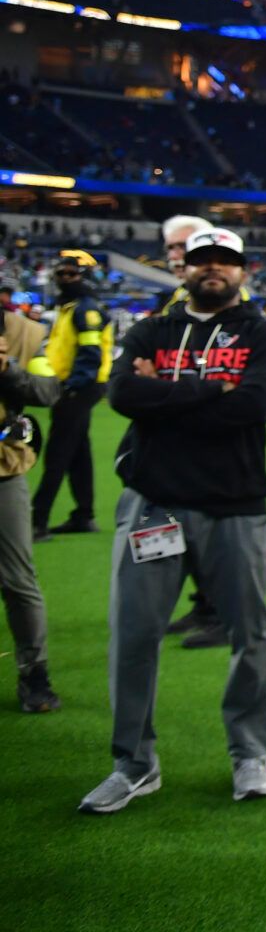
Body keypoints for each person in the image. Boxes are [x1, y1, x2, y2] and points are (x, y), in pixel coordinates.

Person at [81, 228, 266, 814]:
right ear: (183, 269)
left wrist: (167, 393)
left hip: (235, 505)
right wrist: (213, 388)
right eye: (202, 261)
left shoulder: (264, 333)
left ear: (244, 270)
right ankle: (134, 765)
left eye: (225, 261)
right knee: (134, 637)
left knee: (250, 636)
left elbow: (253, 406)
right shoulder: (152, 328)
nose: (214, 269)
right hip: (154, 503)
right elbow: (122, 394)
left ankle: (250, 753)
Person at [156, 216, 226, 646]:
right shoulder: (179, 300)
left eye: (184, 246)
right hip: (178, 433)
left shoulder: (225, 300)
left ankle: (223, 613)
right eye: (172, 249)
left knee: (215, 528)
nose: (176, 256)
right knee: (190, 526)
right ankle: (205, 605)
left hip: (215, 435)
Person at [1, 296, 62, 711]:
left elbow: (47, 391)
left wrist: (6, 370)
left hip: (3, 472)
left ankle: (34, 674)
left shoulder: (26, 332)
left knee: (19, 580)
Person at [32, 252, 112, 537]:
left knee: (57, 454)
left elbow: (90, 354)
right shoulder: (71, 308)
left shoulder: (85, 310)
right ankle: (84, 515)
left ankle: (36, 521)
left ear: (83, 277)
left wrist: (71, 387)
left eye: (71, 274)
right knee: (78, 453)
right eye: (61, 274)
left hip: (78, 388)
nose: (65, 279)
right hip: (75, 386)